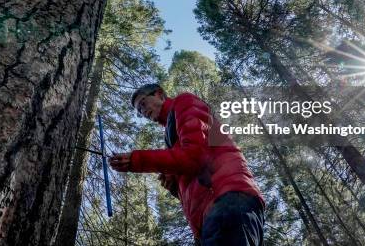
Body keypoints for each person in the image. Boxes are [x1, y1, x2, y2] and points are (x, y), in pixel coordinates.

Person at [109, 83, 265, 245]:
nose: (142, 112)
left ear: (160, 94)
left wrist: (137, 160)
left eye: (143, 103)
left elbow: (195, 157)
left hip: (226, 202)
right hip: (213, 214)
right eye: (139, 111)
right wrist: (175, 187)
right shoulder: (172, 134)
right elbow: (195, 171)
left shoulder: (184, 102)